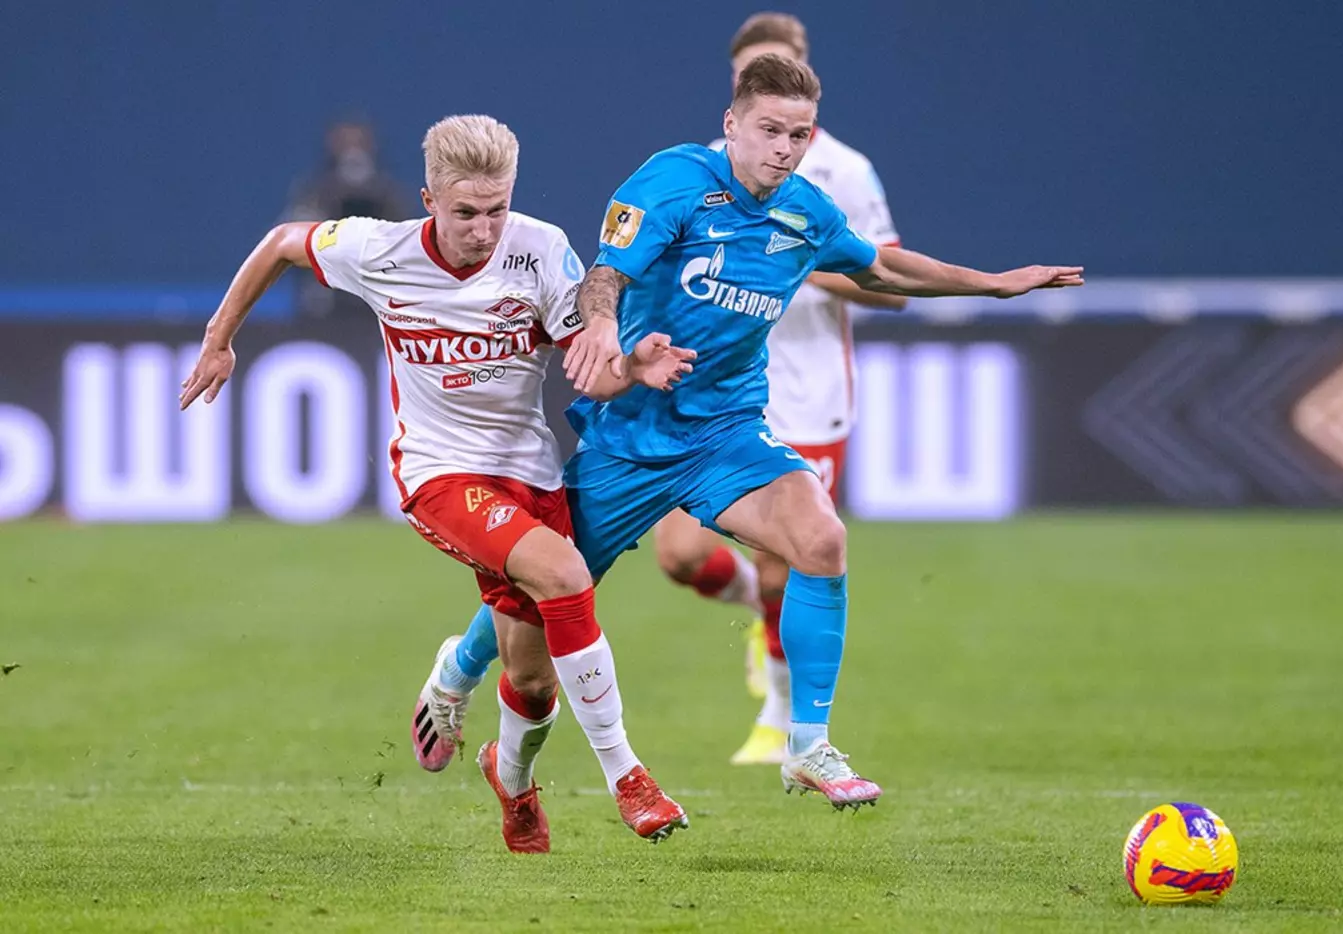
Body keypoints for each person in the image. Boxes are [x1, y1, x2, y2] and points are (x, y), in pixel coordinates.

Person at [435, 56, 1081, 811]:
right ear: (732, 124)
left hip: (727, 434)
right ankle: (456, 670)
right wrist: (603, 328)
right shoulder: (674, 181)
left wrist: (994, 283)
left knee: (821, 540)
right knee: (532, 595)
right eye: (770, 130)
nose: (783, 148)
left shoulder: (807, 213)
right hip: (630, 439)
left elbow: (880, 270)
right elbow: (606, 274)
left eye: (798, 135)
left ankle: (807, 744)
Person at [179, 114, 693, 853]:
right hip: (439, 472)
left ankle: (507, 772)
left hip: (529, 473)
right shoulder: (377, 249)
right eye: (465, 213)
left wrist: (632, 369)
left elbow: (592, 370)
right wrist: (218, 338)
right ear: (428, 201)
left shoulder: (542, 250)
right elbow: (282, 243)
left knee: (535, 682)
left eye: (497, 210)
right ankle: (628, 778)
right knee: (565, 574)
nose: (484, 230)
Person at [651, 11, 909, 767]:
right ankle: (760, 615)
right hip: (715, 390)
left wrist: (796, 262)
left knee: (784, 558)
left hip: (808, 389)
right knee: (680, 555)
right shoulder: (705, 170)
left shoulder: (844, 172)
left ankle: (779, 716)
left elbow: (891, 285)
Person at [282, 120, 415, 319]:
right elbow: (291, 239)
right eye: (345, 143)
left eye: (358, 143)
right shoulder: (315, 193)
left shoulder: (389, 195)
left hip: (378, 297)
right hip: (326, 298)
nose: (352, 152)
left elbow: (407, 242)